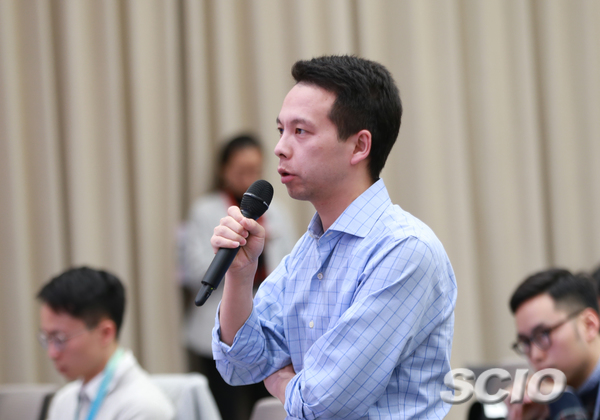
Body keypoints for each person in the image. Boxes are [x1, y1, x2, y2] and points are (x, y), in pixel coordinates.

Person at [210, 55, 457, 419]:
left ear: (359, 146)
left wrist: (279, 381)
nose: (280, 147)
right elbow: (240, 365)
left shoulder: (404, 250)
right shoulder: (306, 250)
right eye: (281, 130)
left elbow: (323, 404)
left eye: (300, 131)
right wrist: (240, 275)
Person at [179, 134, 297, 420]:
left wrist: (265, 247)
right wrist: (234, 256)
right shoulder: (206, 210)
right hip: (216, 325)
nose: (248, 177)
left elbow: (292, 266)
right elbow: (193, 270)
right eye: (241, 170)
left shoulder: (276, 212)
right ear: (224, 170)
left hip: (267, 327)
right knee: (225, 410)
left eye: (254, 170)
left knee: (267, 408)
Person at [38, 266, 175, 420]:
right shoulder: (64, 401)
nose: (52, 353)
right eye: (47, 338)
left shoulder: (143, 408)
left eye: (60, 339)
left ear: (105, 333)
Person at [507, 268, 600, 420]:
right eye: (525, 342)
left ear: (589, 325)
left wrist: (563, 402)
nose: (535, 355)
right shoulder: (543, 403)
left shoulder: (560, 399)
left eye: (544, 334)